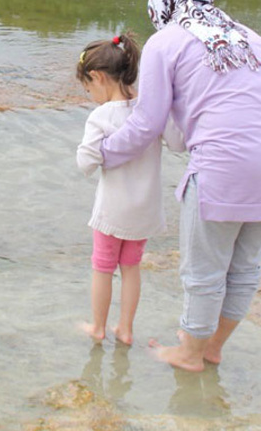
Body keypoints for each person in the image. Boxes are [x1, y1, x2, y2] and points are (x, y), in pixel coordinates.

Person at [100, 0, 261, 372]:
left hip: (228, 162)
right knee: (244, 264)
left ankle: (190, 354)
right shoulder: (254, 38)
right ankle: (211, 346)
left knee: (203, 268)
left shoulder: (166, 42)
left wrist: (103, 152)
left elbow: (147, 122)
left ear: (161, 0)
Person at [75, 33, 182, 346]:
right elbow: (177, 141)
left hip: (113, 211)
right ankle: (126, 329)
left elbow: (85, 162)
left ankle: (98, 327)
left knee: (103, 267)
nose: (91, 95)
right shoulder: (150, 110)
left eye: (88, 88)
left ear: (98, 77)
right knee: (132, 268)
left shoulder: (102, 116)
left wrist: (99, 150)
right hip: (145, 210)